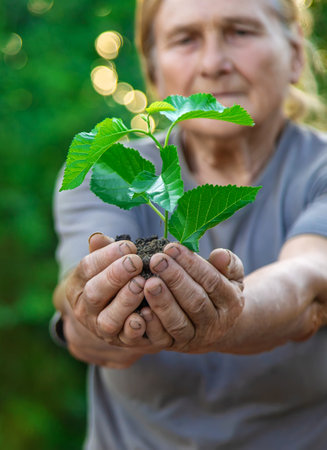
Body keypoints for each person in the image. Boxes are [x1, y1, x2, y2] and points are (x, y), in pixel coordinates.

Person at [52, 0, 327, 448]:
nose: (214, 64)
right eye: (186, 38)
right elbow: (78, 302)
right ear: (154, 72)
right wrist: (91, 314)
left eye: (240, 31)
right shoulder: (110, 168)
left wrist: (226, 314)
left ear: (295, 54)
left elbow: (309, 282)